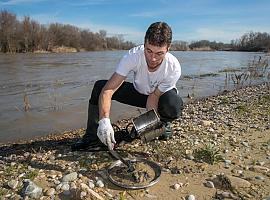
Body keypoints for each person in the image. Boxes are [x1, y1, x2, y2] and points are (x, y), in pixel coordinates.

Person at [72, 22, 183, 151]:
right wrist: (104, 120)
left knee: (173, 104)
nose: (153, 58)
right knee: (100, 87)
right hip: (138, 92)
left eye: (159, 53)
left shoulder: (174, 68)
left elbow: (154, 97)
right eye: (149, 51)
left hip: (159, 97)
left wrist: (151, 125)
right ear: (144, 44)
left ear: (168, 49)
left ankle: (163, 124)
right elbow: (108, 91)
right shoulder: (133, 56)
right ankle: (92, 136)